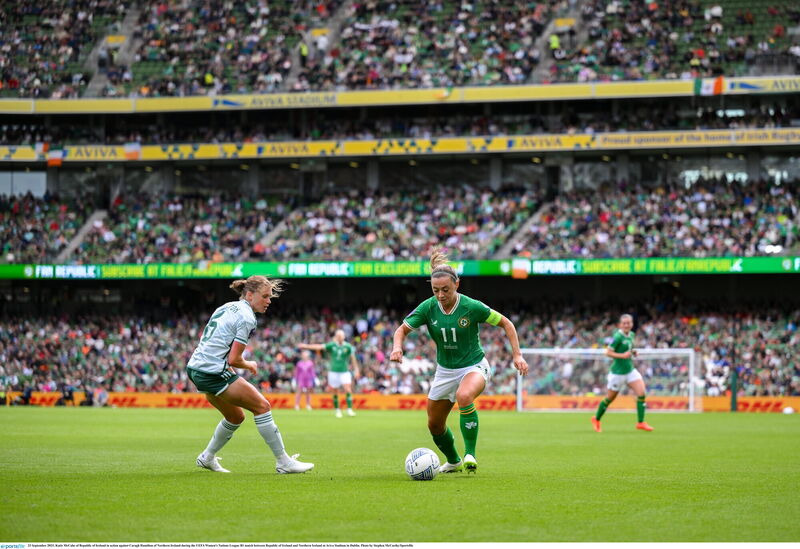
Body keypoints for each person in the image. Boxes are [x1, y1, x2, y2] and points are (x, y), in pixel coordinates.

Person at [390, 249, 529, 474]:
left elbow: (506, 323)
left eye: (445, 289)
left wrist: (517, 355)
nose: (441, 295)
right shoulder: (428, 307)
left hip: (474, 366)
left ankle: (469, 454)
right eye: (436, 290)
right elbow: (401, 330)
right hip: (445, 371)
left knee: (465, 396)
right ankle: (453, 460)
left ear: (457, 284)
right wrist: (397, 347)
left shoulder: (471, 306)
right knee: (434, 424)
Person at [186, 275, 314, 474]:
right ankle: (283, 462)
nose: (269, 301)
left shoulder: (227, 306)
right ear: (250, 295)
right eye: (265, 296)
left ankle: (207, 457)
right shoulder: (247, 317)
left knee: (235, 416)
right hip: (211, 371)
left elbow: (214, 342)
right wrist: (249, 364)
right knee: (262, 406)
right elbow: (234, 359)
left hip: (196, 367)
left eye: (270, 297)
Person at [591, 314, 654, 432]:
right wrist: (622, 355)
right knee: (609, 399)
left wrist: (633, 352)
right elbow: (608, 352)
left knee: (641, 393)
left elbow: (628, 349)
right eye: (624, 323)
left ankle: (640, 422)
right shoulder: (617, 337)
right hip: (617, 373)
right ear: (620, 325)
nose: (626, 325)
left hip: (630, 370)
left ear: (632, 324)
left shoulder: (631, 335)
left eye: (628, 323)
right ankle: (596, 418)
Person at [298, 330, 361, 418]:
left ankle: (349, 409)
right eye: (338, 336)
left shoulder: (348, 346)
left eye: (341, 336)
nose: (339, 337)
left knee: (348, 389)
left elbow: (353, 358)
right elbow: (319, 347)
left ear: (344, 337)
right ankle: (337, 410)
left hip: (344, 371)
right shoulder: (332, 345)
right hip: (333, 372)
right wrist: (306, 346)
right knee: (335, 391)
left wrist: (356, 369)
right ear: (336, 337)